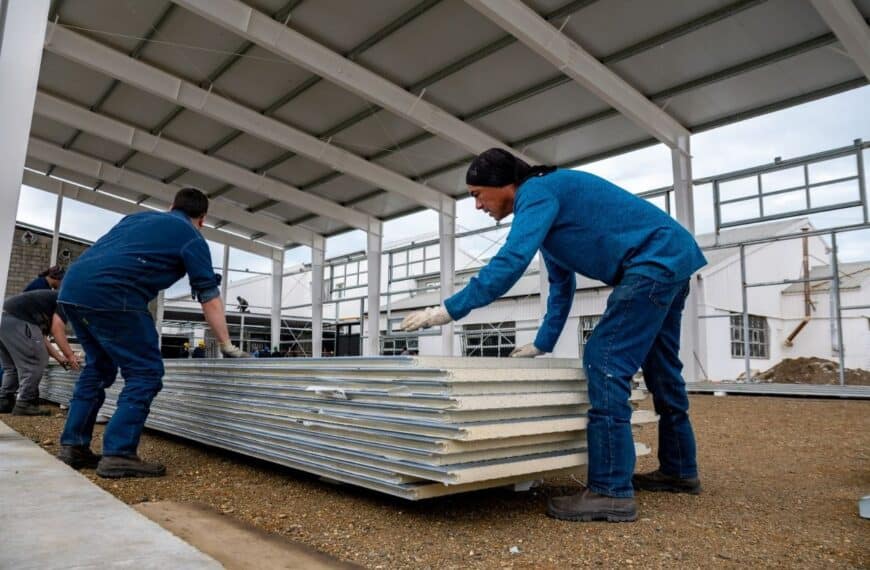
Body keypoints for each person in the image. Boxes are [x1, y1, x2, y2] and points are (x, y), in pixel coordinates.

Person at [400, 149, 707, 523]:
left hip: (652, 264)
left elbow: (510, 262)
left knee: (604, 360)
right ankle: (680, 470)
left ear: (505, 185)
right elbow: (562, 285)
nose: (477, 205)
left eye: (478, 193)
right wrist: (542, 343)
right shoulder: (549, 210)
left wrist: (446, 310)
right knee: (661, 368)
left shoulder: (537, 193)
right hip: (672, 259)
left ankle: (611, 491)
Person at [55, 187, 247, 478]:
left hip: (71, 290)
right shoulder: (192, 237)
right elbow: (209, 297)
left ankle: (74, 446)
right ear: (202, 219)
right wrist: (226, 344)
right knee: (145, 372)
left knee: (98, 367)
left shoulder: (136, 219)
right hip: (114, 295)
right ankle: (119, 453)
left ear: (171, 205)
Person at [0, 290, 80, 415]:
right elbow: (57, 329)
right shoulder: (67, 300)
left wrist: (60, 357)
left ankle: (4, 400)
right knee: (35, 361)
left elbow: (39, 338)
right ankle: (25, 403)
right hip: (17, 320)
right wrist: (70, 355)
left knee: (12, 367)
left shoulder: (43, 303)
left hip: (4, 319)